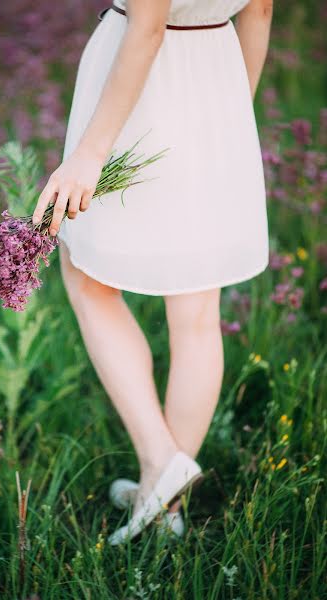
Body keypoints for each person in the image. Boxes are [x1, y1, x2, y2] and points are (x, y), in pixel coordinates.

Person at [32, 0, 273, 545]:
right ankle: (164, 502)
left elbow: (146, 28)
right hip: (217, 73)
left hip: (139, 93)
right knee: (196, 307)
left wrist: (89, 155)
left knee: (85, 276)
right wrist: (234, 114)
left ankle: (159, 461)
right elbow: (259, 11)